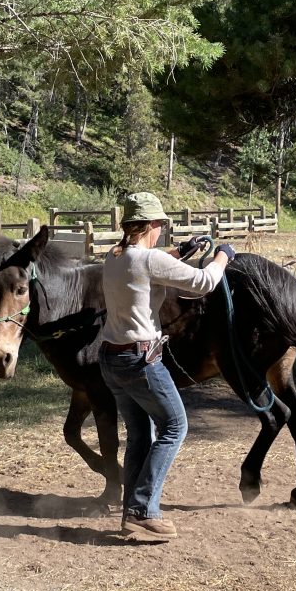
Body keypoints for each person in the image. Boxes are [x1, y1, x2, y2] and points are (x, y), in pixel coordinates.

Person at [99, 192, 234, 540]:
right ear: (152, 225)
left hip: (112, 359)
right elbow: (204, 282)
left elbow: (147, 264)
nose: (162, 230)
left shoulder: (113, 257)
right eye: (161, 225)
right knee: (175, 426)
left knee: (141, 435)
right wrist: (222, 256)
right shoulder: (149, 261)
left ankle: (132, 512)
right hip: (140, 360)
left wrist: (181, 252)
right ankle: (143, 511)